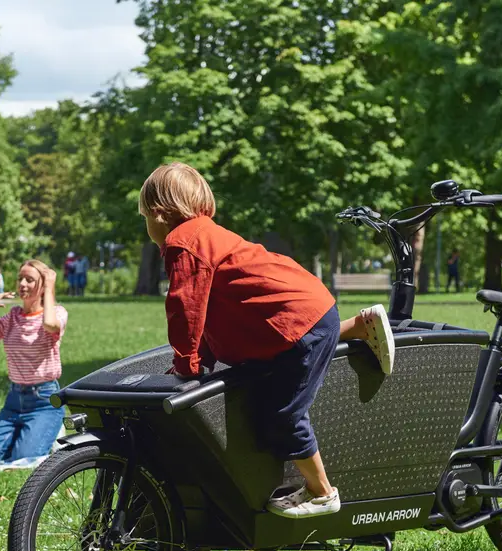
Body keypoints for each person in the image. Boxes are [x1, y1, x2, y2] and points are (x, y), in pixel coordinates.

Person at [139, 162, 393, 519]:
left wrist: (187, 365)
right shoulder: (208, 234)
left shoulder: (183, 243)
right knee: (276, 366)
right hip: (308, 309)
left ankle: (322, 492)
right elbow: (214, 312)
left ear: (158, 213)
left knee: (283, 414)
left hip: (299, 321)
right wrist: (204, 359)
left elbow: (186, 309)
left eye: (144, 218)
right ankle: (358, 326)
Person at [0, 260, 67, 461]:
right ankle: (30, 435)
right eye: (20, 279)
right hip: (14, 401)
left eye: (30, 280)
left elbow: (49, 324)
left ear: (42, 284)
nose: (23, 284)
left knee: (23, 460)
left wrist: (50, 286)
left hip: (44, 401)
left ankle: (50, 431)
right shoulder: (12, 318)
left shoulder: (57, 313)